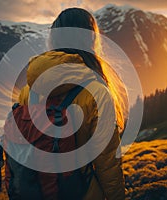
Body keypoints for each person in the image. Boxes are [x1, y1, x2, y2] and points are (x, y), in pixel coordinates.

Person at [16, 7, 125, 200]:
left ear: (54, 39)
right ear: (91, 40)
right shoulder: (97, 92)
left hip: (38, 190)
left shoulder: (28, 90)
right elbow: (107, 162)